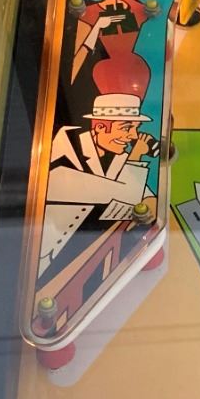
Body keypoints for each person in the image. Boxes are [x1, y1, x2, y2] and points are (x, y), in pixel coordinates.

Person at [40, 94, 157, 275]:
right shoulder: (66, 147)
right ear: (100, 127)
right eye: (127, 128)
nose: (133, 136)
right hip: (44, 255)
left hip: (82, 254)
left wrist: (147, 207)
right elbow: (126, 195)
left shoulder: (116, 156)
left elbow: (146, 197)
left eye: (136, 128)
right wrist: (136, 156)